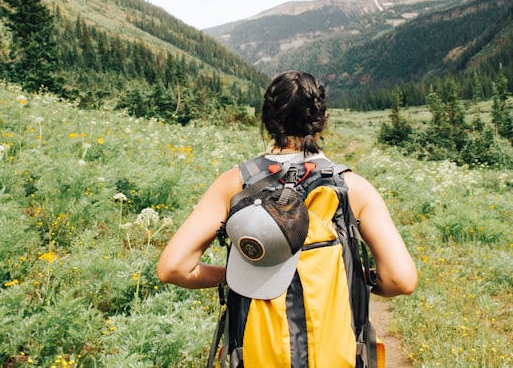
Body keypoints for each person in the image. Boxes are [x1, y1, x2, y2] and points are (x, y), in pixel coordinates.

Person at [157, 71, 417, 362]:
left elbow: (173, 268)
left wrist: (236, 275)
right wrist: (355, 277)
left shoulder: (235, 184)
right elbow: (401, 280)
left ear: (267, 119)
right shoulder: (353, 188)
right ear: (323, 119)